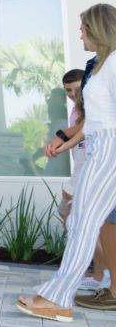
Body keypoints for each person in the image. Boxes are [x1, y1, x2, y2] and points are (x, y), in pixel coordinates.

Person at [21, 3, 116, 319]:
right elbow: (95, 121)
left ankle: (60, 298)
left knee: (85, 221)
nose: (80, 34)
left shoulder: (115, 63)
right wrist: (66, 144)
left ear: (98, 29)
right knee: (78, 220)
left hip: (110, 151)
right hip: (98, 148)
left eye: (83, 29)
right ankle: (58, 293)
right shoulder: (101, 65)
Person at [56, 69, 109, 292]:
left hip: (88, 171)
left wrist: (61, 141)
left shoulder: (90, 108)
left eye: (76, 89)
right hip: (79, 169)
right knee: (81, 222)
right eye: (68, 90)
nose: (72, 94)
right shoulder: (77, 109)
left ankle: (104, 274)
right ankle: (99, 275)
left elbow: (84, 130)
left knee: (74, 218)